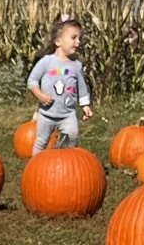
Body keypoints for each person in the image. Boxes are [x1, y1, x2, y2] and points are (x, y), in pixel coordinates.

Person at [27, 16, 95, 152]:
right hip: (46, 113)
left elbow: (82, 87)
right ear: (58, 41)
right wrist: (39, 95)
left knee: (72, 138)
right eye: (73, 38)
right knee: (41, 142)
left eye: (79, 38)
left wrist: (85, 105)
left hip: (68, 114)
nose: (78, 42)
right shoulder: (47, 62)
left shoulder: (76, 66)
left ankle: (64, 166)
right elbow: (32, 81)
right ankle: (34, 166)